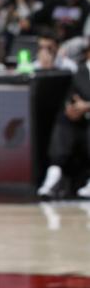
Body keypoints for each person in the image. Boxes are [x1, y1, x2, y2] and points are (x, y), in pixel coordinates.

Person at [37, 39, 90, 198]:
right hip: (81, 120)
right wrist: (71, 108)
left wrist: (87, 106)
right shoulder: (80, 71)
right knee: (63, 121)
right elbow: (71, 96)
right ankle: (53, 175)